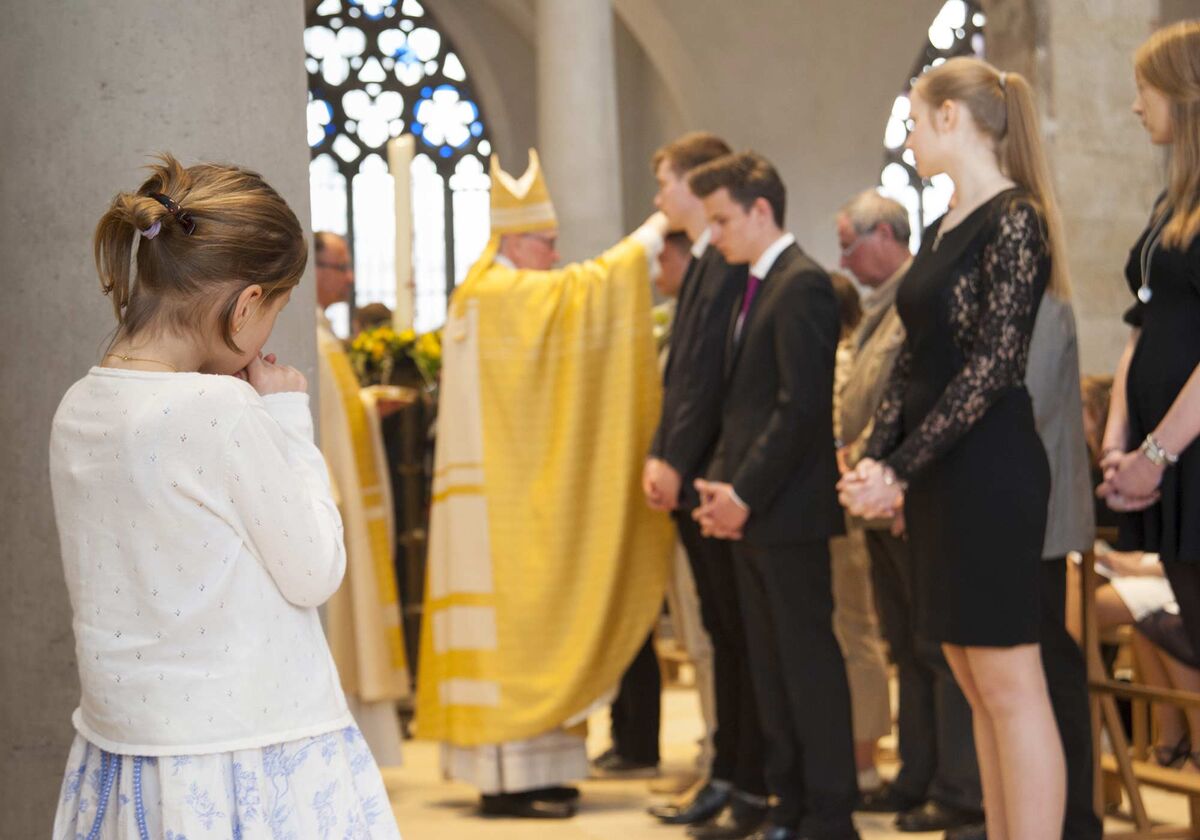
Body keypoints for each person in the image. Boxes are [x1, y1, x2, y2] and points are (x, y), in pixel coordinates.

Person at [50, 155, 401, 838]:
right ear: (245, 307)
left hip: (128, 751)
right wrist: (287, 418)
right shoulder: (220, 409)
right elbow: (315, 569)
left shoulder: (78, 405)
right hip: (248, 751)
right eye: (276, 307)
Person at [839, 57, 1068, 840]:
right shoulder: (941, 226)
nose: (907, 136)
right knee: (973, 681)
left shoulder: (1016, 218)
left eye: (912, 120)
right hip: (942, 474)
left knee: (1010, 682)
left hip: (991, 471)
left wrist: (899, 468)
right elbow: (915, 358)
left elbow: (995, 368)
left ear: (949, 118)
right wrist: (877, 453)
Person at [415, 150, 673, 820]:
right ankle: (508, 781)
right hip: (503, 505)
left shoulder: (488, 294)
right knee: (525, 625)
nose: (555, 257)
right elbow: (587, 290)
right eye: (547, 244)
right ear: (512, 240)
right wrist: (651, 234)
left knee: (537, 622)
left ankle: (542, 772)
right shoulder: (497, 294)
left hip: (506, 488)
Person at [692, 150, 858, 840]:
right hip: (754, 514)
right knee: (769, 669)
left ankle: (827, 813)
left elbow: (799, 409)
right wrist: (723, 489)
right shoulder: (754, 284)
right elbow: (745, 405)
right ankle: (787, 808)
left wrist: (745, 492)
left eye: (723, 219)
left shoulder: (802, 285)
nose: (713, 235)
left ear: (762, 211)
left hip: (787, 515)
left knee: (806, 667)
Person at [836, 190, 985, 834]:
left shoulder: (914, 300)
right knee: (906, 644)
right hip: (879, 493)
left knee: (935, 648)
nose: (842, 258)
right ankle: (917, 774)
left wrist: (897, 474)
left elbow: (919, 394)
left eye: (850, 242)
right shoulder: (882, 305)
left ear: (887, 235)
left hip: (906, 496)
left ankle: (955, 786)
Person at [639, 133, 769, 839]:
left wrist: (677, 460)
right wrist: (664, 452)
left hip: (717, 473)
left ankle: (749, 781)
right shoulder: (703, 263)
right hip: (696, 472)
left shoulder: (722, 258)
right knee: (721, 633)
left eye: (665, 182)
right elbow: (681, 374)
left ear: (697, 183)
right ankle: (728, 771)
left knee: (739, 635)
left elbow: (708, 383)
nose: (659, 198)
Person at [1098, 20, 1200, 670]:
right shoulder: (1171, 203)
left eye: (1145, 89)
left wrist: (1156, 454)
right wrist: (1117, 444)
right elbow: (1143, 325)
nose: (1137, 106)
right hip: (1166, 462)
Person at [596, 231, 700, 782]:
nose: (656, 268)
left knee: (693, 629)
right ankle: (630, 736)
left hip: (680, 489)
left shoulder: (687, 320)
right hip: (649, 487)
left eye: (662, 255)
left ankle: (651, 742)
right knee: (651, 624)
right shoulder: (667, 323)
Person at [314, 232, 410, 768]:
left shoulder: (323, 335)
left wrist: (366, 407)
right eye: (340, 266)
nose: (349, 278)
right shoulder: (312, 334)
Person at [828, 270, 893, 798]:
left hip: (846, 508)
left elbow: (841, 435)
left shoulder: (842, 358)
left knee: (856, 632)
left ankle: (864, 762)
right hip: (832, 507)